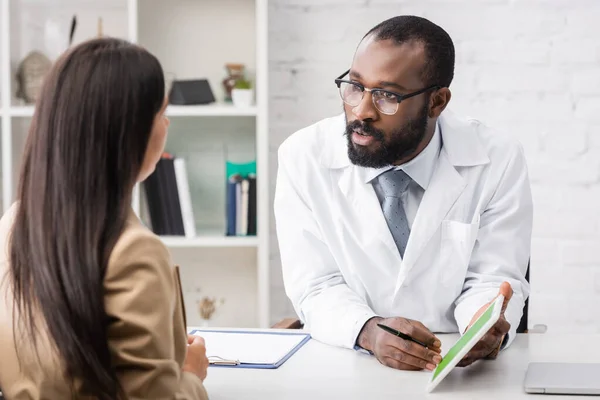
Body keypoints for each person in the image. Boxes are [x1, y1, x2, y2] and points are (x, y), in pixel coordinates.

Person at [274, 15, 533, 371]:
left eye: (386, 96)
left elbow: (492, 277)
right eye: (355, 86)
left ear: (437, 102)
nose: (361, 111)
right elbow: (315, 285)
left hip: (455, 367)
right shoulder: (302, 156)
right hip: (348, 363)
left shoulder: (497, 159)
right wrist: (368, 332)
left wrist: (481, 325)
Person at [0, 38, 209, 399]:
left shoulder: (13, 222)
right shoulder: (134, 250)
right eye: (161, 113)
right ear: (125, 133)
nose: (167, 123)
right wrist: (190, 375)